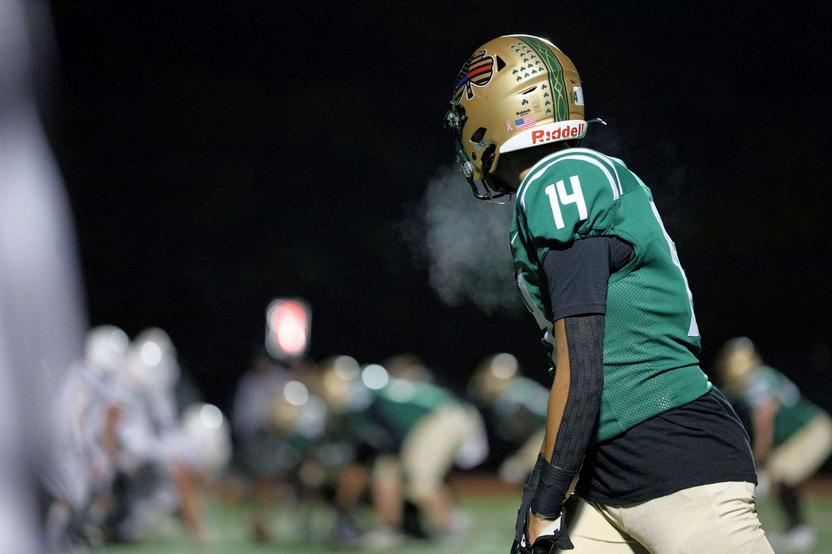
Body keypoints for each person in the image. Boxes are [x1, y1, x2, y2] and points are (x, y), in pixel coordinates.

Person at [444, 34, 772, 553]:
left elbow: (583, 367)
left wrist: (544, 502)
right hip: (610, 467)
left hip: (672, 455)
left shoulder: (562, 177)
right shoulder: (565, 179)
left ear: (497, 110)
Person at [717, 337, 832, 552]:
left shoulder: (758, 380)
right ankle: (797, 530)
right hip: (804, 434)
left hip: (813, 430)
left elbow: (764, 421)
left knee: (783, 472)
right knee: (780, 474)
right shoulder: (753, 380)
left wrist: (758, 459)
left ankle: (799, 532)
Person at [468, 353, 548, 484]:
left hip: (554, 433)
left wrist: (526, 456)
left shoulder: (518, 393)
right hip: (537, 436)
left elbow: (555, 417)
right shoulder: (501, 398)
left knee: (514, 470)